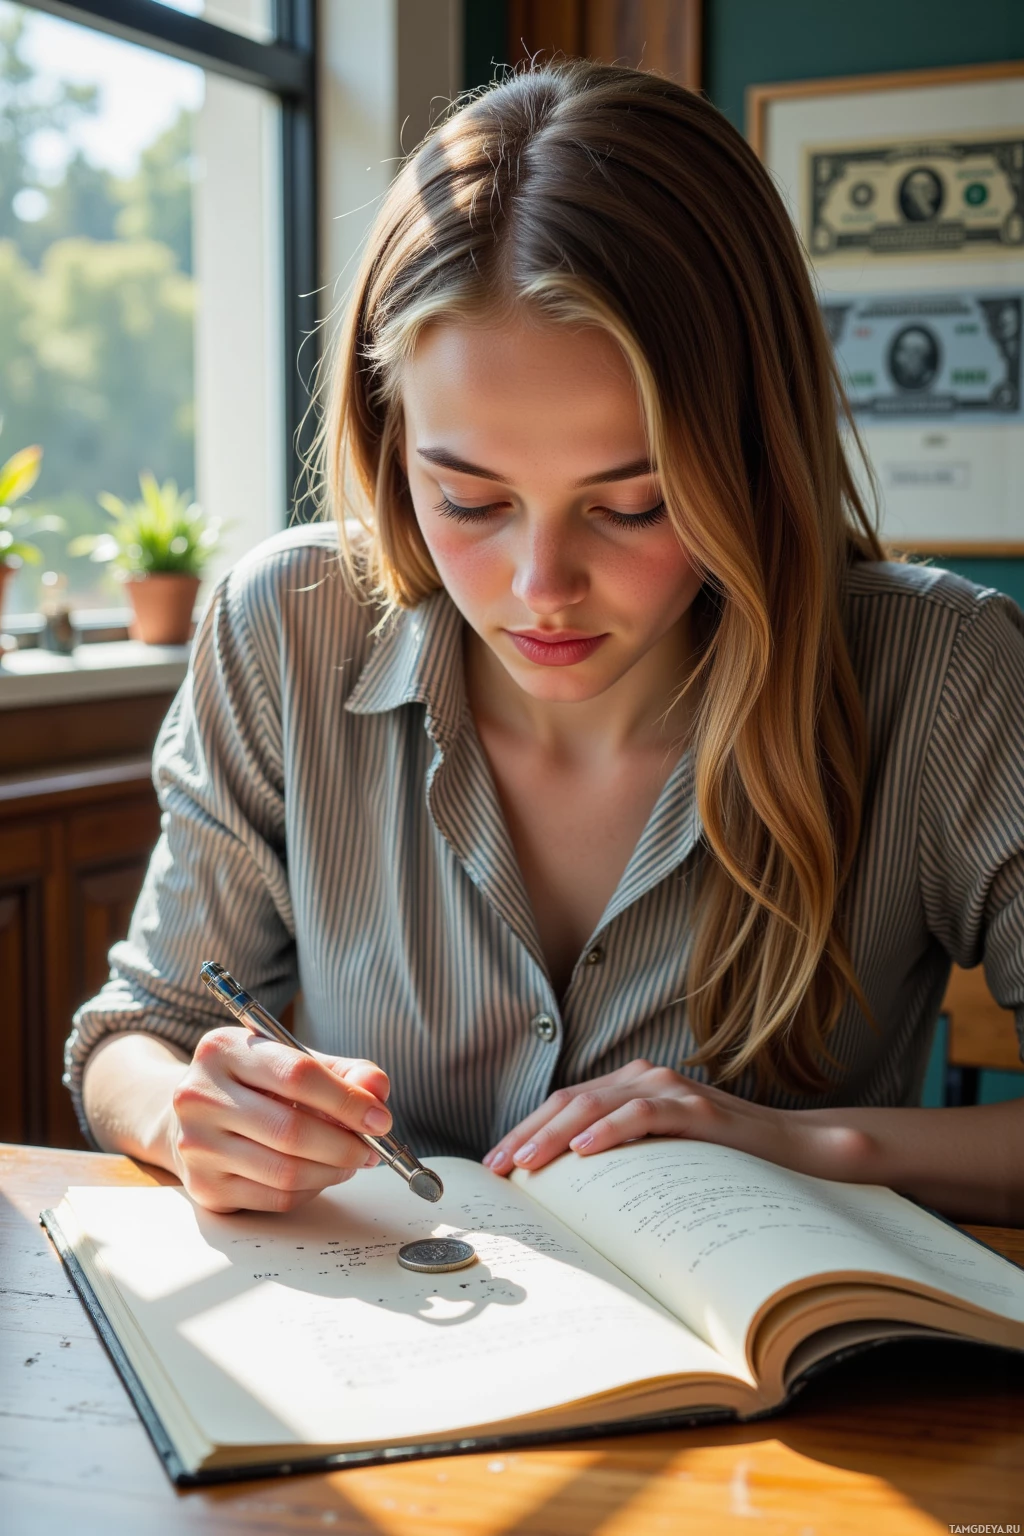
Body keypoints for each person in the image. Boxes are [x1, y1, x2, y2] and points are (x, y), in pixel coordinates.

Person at [68, 60, 1024, 1226]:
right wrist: (189, 1117)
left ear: (755, 459)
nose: (540, 590)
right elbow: (137, 1036)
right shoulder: (287, 626)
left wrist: (788, 1142)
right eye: (467, 500)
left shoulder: (944, 672)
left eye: (632, 504)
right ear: (390, 442)